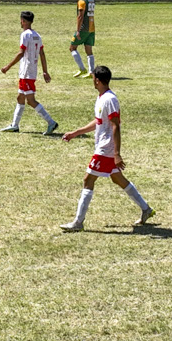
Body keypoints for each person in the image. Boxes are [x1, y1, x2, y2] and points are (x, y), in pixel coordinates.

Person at [60, 65, 152, 232]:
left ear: (97, 80)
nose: (92, 80)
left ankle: (78, 223)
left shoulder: (110, 100)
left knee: (88, 180)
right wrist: (76, 133)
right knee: (117, 178)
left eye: (93, 77)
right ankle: (146, 209)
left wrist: (116, 153)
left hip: (106, 149)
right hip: (104, 147)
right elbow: (99, 121)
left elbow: (116, 125)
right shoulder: (101, 98)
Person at [0, 10, 59, 133]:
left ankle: (51, 122)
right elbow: (42, 53)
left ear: (24, 21)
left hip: (26, 72)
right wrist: (45, 71)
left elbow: (21, 53)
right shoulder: (37, 35)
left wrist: (7, 67)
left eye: (21, 20)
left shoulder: (25, 35)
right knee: (20, 97)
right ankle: (15, 125)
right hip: (31, 71)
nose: (20, 22)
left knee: (30, 100)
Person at [68, 0, 97, 72]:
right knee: (89, 50)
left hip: (84, 28)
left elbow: (80, 16)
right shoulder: (91, 0)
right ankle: (91, 71)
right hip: (91, 28)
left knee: (72, 48)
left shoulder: (82, 1)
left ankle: (82, 69)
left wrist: (78, 31)